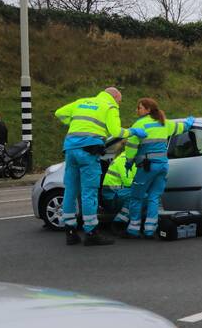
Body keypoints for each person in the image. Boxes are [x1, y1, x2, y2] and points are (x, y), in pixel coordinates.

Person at [55, 86, 146, 246]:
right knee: (89, 192)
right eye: (120, 101)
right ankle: (91, 232)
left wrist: (77, 126)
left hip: (70, 148)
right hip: (89, 150)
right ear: (115, 97)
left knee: (70, 190)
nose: (119, 104)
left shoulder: (82, 102)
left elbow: (59, 113)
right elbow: (116, 132)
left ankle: (70, 231)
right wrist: (133, 131)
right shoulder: (110, 106)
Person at [123, 98, 194, 239]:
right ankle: (150, 229)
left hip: (146, 167)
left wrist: (129, 162)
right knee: (154, 197)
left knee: (136, 197)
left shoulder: (140, 124)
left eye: (140, 108)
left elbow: (131, 146)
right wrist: (189, 122)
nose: (137, 110)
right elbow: (181, 127)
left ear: (148, 110)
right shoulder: (164, 123)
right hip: (162, 167)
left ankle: (133, 229)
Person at [101, 148, 137, 233]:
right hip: (111, 197)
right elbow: (128, 182)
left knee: (143, 194)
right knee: (138, 195)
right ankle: (119, 223)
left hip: (117, 193)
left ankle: (127, 221)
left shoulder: (132, 159)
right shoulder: (124, 159)